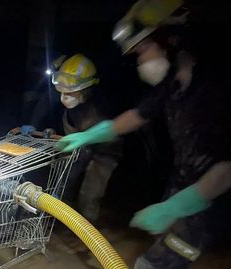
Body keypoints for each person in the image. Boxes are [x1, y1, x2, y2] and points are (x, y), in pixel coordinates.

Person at [56, 0, 231, 268]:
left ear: (171, 39)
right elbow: (135, 117)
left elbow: (226, 169)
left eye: (143, 50)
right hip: (186, 181)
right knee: (162, 249)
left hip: (212, 193)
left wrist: (175, 207)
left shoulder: (213, 87)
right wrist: (86, 136)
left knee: (160, 259)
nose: (140, 60)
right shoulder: (171, 84)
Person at [51, 53, 122, 221]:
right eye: (61, 92)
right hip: (81, 147)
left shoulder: (101, 109)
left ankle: (87, 231)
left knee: (90, 192)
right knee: (64, 178)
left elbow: (112, 137)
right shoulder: (73, 105)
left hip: (105, 151)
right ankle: (59, 216)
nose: (64, 97)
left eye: (70, 93)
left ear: (85, 90)